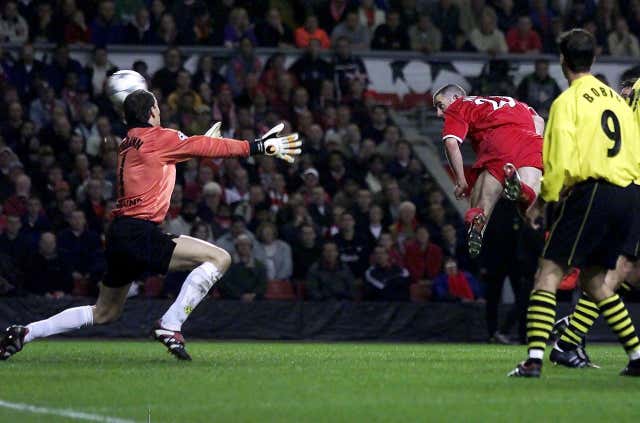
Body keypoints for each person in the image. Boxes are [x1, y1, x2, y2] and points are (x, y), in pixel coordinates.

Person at [0, 89, 301, 361]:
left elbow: (163, 163)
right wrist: (259, 146)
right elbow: (192, 148)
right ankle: (170, 325)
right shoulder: (160, 137)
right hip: (139, 231)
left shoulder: (127, 143)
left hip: (118, 233)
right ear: (152, 113)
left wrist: (201, 144)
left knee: (104, 311)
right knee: (220, 258)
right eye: (157, 107)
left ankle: (25, 332)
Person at [509, 29, 640, 378]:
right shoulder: (616, 99)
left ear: (562, 61)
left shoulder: (566, 102)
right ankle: (638, 356)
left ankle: (534, 359)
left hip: (593, 189)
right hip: (629, 192)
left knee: (548, 273)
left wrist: (543, 202)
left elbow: (559, 162)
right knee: (598, 280)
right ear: (594, 59)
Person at [547, 77, 640, 368]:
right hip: (632, 181)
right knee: (619, 267)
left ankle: (572, 326)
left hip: (623, 181)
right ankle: (569, 339)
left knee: (631, 273)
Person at [433, 84, 544, 257]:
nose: (439, 113)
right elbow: (539, 120)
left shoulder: (459, 106)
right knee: (530, 204)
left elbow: (451, 143)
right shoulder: (508, 101)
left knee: (482, 200)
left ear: (455, 98)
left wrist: (461, 180)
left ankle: (478, 222)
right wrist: (530, 140)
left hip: (499, 141)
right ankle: (521, 190)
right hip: (531, 138)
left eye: (440, 106)